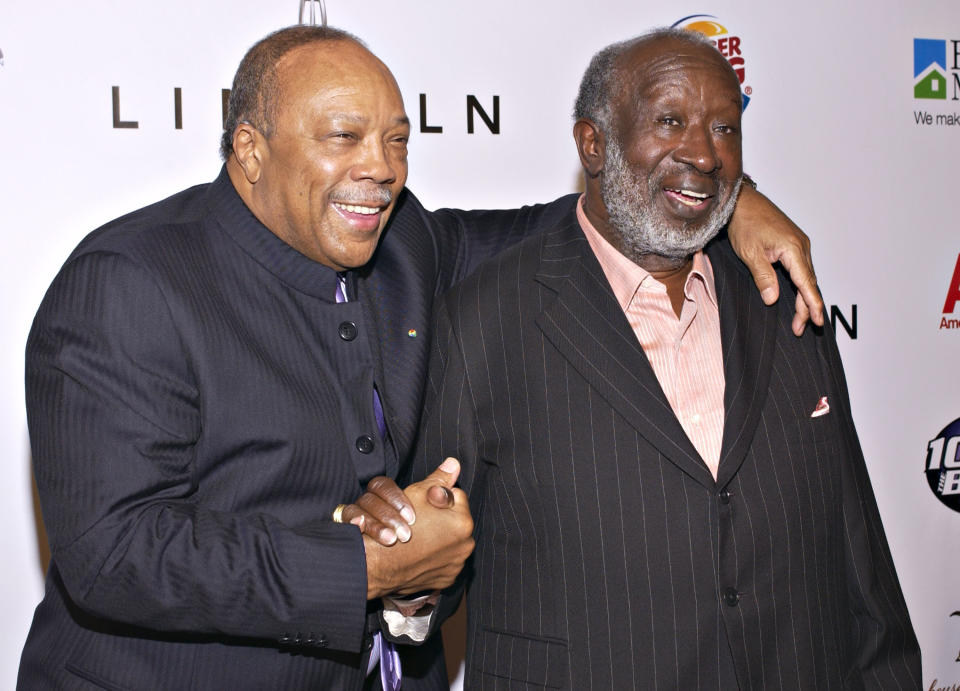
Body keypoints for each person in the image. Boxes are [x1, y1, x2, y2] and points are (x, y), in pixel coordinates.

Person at [20, 25, 822, 690]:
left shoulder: (405, 243)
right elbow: (113, 551)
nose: (382, 167)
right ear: (249, 148)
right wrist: (359, 567)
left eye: (397, 140)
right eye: (344, 137)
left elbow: (567, 225)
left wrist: (725, 199)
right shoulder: (130, 282)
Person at [391, 28, 921, 689]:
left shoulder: (784, 300)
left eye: (725, 128)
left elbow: (857, 552)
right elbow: (430, 563)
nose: (703, 151)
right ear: (592, 143)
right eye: (670, 120)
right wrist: (407, 587)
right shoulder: (482, 321)